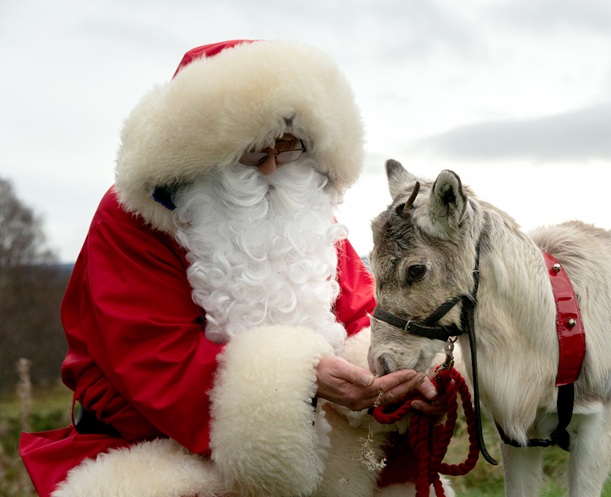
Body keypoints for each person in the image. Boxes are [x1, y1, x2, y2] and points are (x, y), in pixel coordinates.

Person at [19, 39, 452, 497]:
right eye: (250, 152)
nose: (269, 170)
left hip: (314, 435)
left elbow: (356, 314)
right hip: (154, 443)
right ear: (205, 147)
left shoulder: (304, 208)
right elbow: (152, 357)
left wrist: (394, 376)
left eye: (287, 149)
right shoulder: (133, 218)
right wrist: (301, 379)